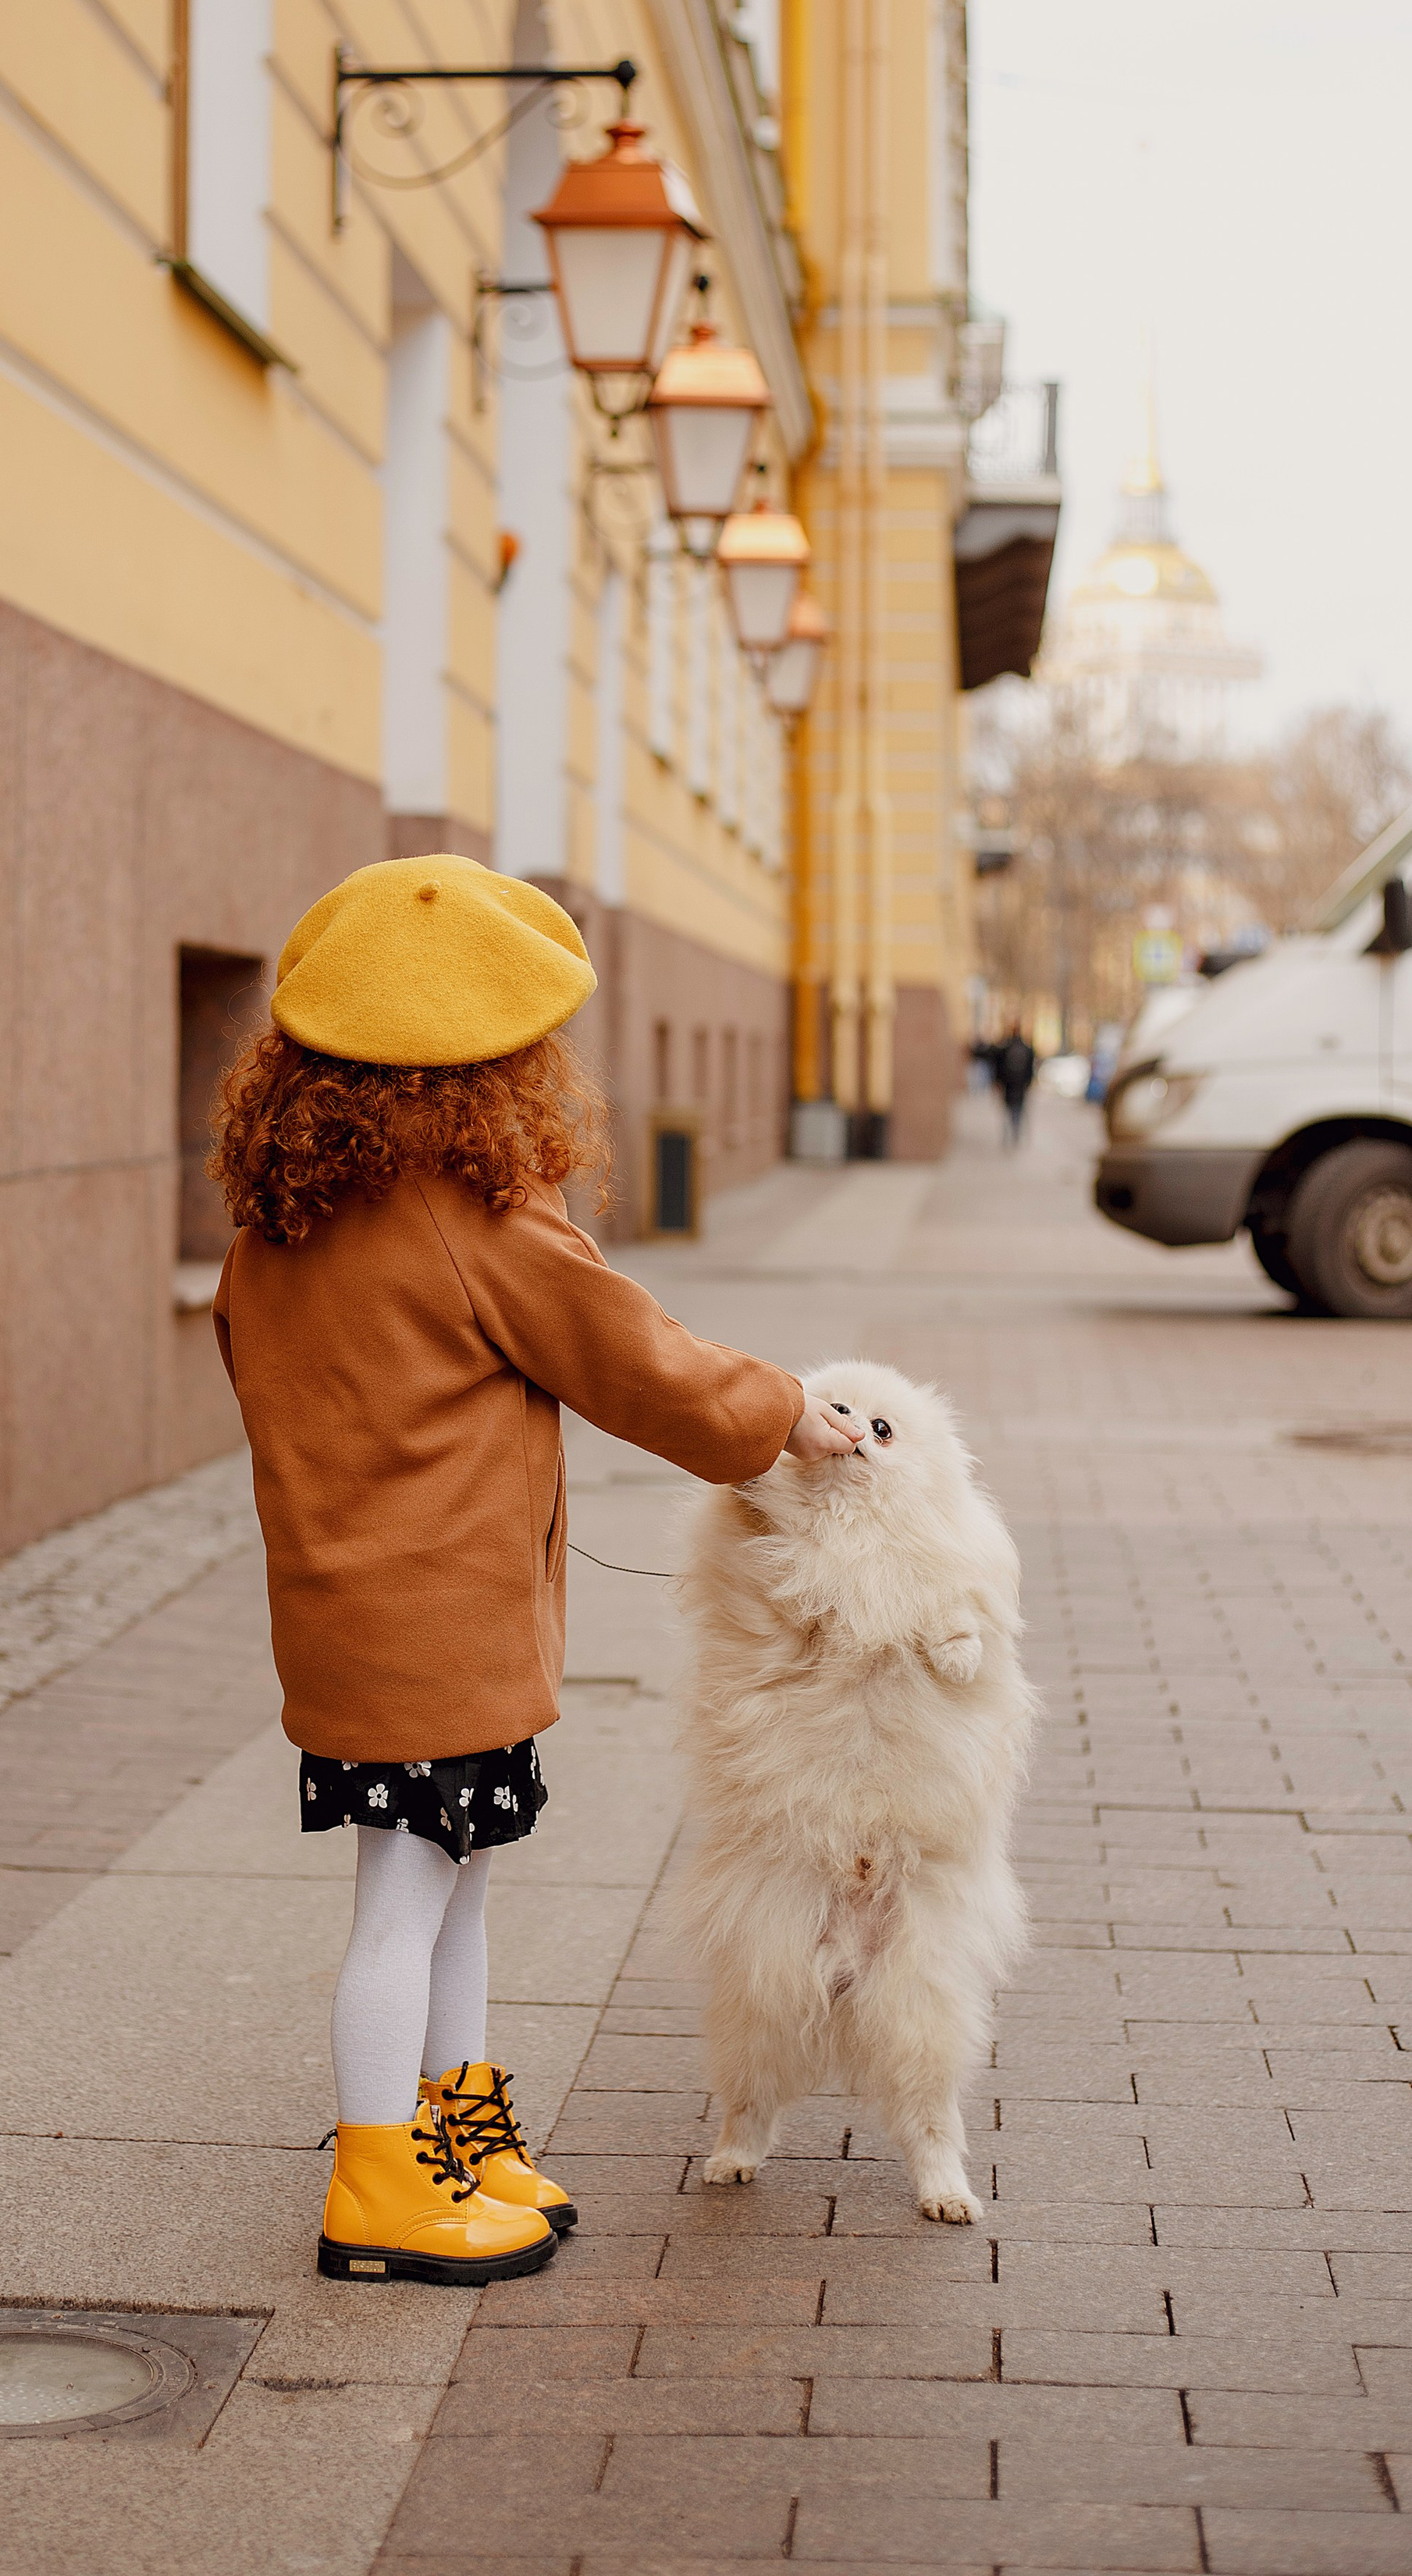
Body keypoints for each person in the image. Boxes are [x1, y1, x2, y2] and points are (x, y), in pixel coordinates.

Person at [210, 855, 863, 2287]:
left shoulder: (279, 1228)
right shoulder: (463, 1211)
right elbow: (625, 1349)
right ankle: (378, 2185)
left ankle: (461, 2137)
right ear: (487, 1064)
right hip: (436, 1628)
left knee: (453, 1882)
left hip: (346, 1617)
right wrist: (781, 1413)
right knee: (407, 1899)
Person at [994, 1023, 1037, 1147]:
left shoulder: (1005, 1048)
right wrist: (1028, 1083)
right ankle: (1015, 1134)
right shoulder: (1027, 1049)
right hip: (1020, 1086)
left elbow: (999, 1068)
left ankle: (1008, 1136)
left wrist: (998, 1082)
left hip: (1008, 1085)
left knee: (1008, 1111)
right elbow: (1030, 1069)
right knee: (1018, 1111)